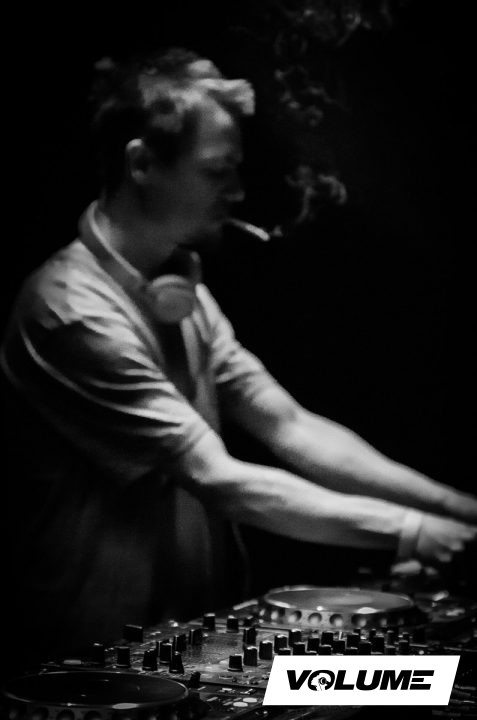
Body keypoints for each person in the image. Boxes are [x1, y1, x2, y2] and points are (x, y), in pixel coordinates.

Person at [2, 47, 476, 671]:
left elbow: (290, 426)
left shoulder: (184, 293)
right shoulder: (69, 311)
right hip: (91, 672)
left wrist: (454, 508)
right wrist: (410, 531)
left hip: (191, 648)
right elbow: (219, 480)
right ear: (142, 164)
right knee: (409, 687)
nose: (238, 192)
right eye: (217, 172)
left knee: (420, 686)